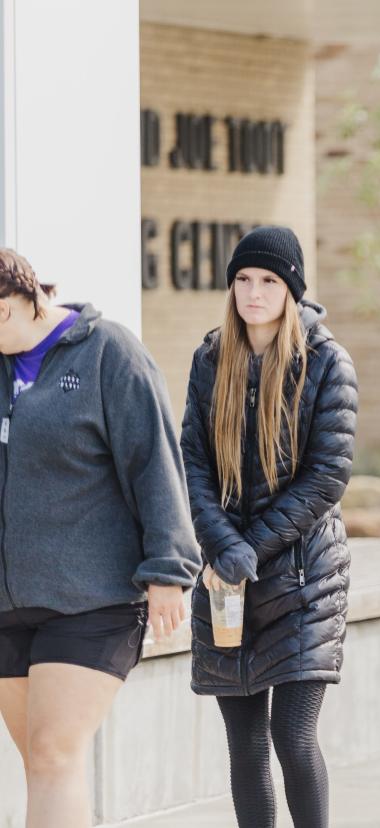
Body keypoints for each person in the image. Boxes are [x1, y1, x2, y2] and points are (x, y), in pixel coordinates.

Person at [0, 248, 200, 828]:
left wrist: (169, 569)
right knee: (43, 764)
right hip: (11, 603)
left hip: (93, 599)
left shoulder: (108, 352)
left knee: (54, 753)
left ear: (18, 302)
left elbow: (154, 461)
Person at [183, 226, 358, 828]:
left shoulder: (326, 360)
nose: (254, 293)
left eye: (269, 281)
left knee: (292, 734)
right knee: (245, 743)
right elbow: (194, 463)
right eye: (243, 280)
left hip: (305, 579)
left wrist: (247, 548)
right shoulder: (211, 359)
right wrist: (223, 548)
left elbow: (327, 476)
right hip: (228, 586)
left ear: (292, 290)